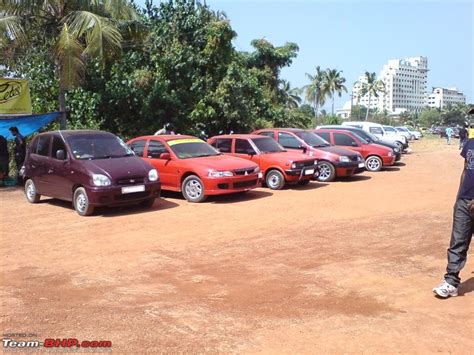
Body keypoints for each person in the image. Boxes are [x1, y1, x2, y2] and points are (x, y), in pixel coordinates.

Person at [432, 138, 474, 298]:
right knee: (457, 242)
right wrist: (458, 198)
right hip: (464, 202)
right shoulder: (470, 143)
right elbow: (465, 171)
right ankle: (451, 282)